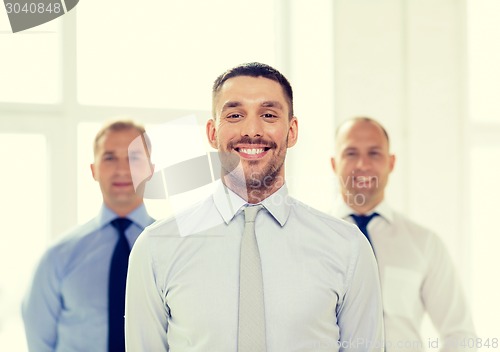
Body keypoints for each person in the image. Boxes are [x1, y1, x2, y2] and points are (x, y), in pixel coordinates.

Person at [125, 63, 384, 351]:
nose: (251, 130)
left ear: (292, 130)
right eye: (235, 115)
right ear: (212, 132)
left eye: (269, 115)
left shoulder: (347, 248)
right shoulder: (156, 248)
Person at [330, 117, 477, 352]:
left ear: (391, 162)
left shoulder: (424, 243)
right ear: (334, 163)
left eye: (374, 153)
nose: (362, 164)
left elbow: (460, 333)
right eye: (350, 153)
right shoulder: (311, 240)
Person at [22, 120, 156, 352]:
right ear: (93, 170)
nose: (122, 169)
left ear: (150, 170)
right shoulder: (58, 257)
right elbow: (39, 341)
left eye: (134, 157)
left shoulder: (175, 250)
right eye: (110, 158)